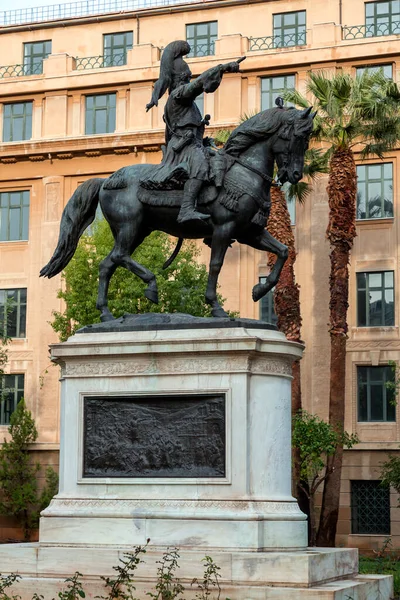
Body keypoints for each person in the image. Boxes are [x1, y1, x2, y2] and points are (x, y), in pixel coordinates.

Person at [144, 40, 243, 224]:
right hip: (182, 147)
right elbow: (197, 86)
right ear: (178, 78)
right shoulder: (178, 95)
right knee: (201, 166)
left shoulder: (186, 102)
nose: (188, 79)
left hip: (193, 143)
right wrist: (223, 68)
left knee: (221, 163)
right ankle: (186, 209)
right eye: (185, 77)